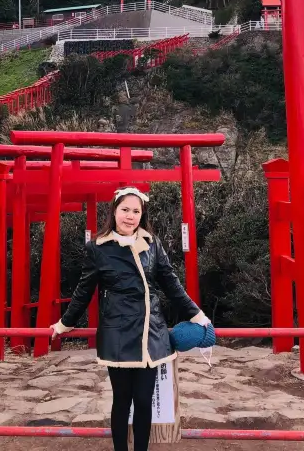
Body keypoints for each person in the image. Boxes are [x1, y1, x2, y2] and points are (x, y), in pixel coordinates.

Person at [51, 186, 210, 451]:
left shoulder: (152, 243)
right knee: (122, 400)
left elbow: (171, 284)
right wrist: (64, 323)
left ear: (142, 214)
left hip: (151, 332)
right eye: (125, 210)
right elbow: (83, 291)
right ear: (114, 211)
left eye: (136, 211)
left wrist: (197, 314)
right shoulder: (98, 248)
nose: (130, 216)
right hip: (118, 332)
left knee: (144, 401)